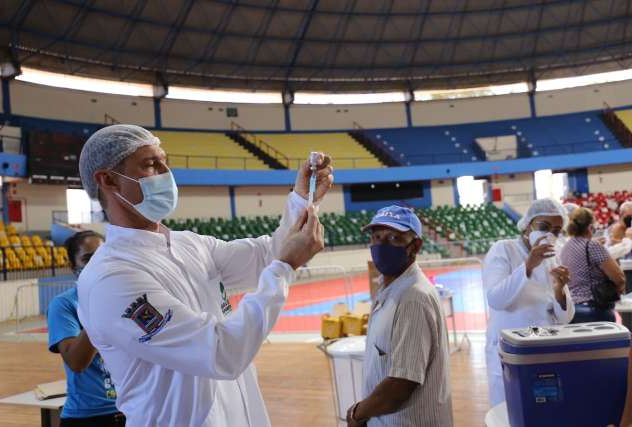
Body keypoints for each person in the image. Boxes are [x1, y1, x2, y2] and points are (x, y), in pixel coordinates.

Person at [75, 124, 331, 427]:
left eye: (164, 160)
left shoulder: (189, 244)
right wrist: (284, 268)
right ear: (107, 180)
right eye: (150, 164)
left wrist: (302, 199)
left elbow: (267, 255)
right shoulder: (111, 279)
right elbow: (220, 352)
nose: (166, 172)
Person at [346, 206, 453, 427]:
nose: (382, 245)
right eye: (377, 237)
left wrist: (358, 413)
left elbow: (402, 383)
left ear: (415, 246)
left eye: (395, 238)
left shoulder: (413, 298)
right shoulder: (389, 286)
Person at [483, 198, 575, 407]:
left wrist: (560, 291)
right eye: (543, 226)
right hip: (510, 349)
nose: (549, 234)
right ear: (527, 225)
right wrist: (528, 265)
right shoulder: (504, 250)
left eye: (557, 230)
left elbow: (566, 318)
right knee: (509, 411)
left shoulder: (553, 257)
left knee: (544, 410)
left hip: (544, 346)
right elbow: (496, 299)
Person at [47, 230, 125, 427]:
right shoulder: (64, 304)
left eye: (102, 255)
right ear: (73, 266)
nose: (96, 263)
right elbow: (76, 362)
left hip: (131, 410)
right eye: (87, 258)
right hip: (88, 417)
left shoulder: (125, 297)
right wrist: (99, 305)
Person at [560, 207, 625, 323]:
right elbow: (619, 278)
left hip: (572, 310)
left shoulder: (565, 248)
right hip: (594, 309)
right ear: (590, 227)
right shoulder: (592, 246)